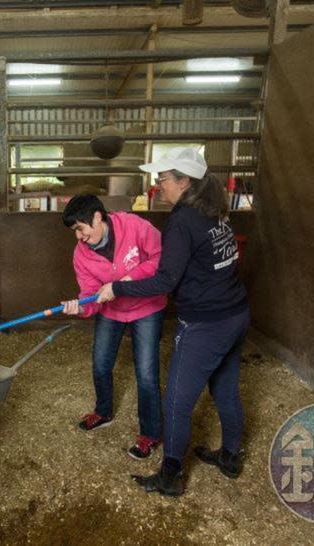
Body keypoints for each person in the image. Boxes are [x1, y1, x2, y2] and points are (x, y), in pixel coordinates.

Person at [96, 147, 250, 497]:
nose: (158, 185)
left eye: (163, 179)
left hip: (206, 323)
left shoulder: (182, 221)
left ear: (184, 181)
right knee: (225, 387)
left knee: (176, 402)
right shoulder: (215, 210)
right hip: (236, 314)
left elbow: (166, 281)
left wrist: (117, 287)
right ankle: (230, 455)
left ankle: (171, 476)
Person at [61, 194, 167, 459]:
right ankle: (104, 411)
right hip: (112, 311)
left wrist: (125, 282)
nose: (78, 236)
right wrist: (81, 307)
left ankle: (151, 434)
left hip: (147, 306)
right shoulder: (81, 256)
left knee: (146, 373)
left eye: (80, 228)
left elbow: (161, 257)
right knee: (100, 363)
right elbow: (90, 294)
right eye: (74, 231)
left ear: (97, 218)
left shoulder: (133, 225)